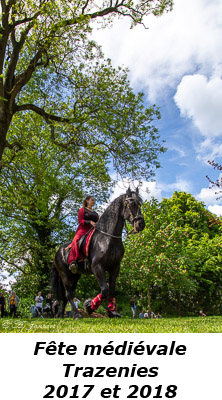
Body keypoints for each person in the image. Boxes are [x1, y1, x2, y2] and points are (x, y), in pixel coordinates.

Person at [68, 196, 99, 273]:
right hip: (83, 229)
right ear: (87, 201)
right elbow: (80, 220)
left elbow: (99, 221)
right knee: (76, 240)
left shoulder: (95, 213)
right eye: (92, 200)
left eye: (94, 200)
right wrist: (89, 222)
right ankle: (73, 261)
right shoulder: (82, 210)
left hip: (93, 230)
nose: (93, 201)